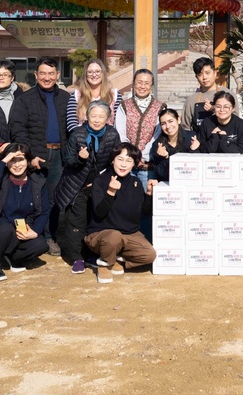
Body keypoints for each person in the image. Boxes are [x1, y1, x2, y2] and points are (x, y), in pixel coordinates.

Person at [8, 57, 69, 256]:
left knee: (54, 199)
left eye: (51, 73)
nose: (47, 77)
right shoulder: (25, 99)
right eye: (42, 73)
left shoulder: (66, 98)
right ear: (36, 75)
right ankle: (36, 235)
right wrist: (30, 155)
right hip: (37, 156)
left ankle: (50, 236)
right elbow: (18, 130)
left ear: (57, 75)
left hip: (60, 154)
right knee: (36, 198)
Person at [55, 101, 121, 274]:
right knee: (76, 222)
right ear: (87, 116)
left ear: (108, 118)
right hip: (76, 184)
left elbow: (115, 160)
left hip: (99, 183)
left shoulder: (112, 134)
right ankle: (76, 257)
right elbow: (67, 161)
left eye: (101, 116)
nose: (97, 120)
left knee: (95, 220)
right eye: (94, 116)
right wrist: (79, 158)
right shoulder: (77, 134)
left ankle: (91, 254)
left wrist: (100, 182)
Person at [0, 144, 51, 283]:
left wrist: (35, 231)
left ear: (27, 161)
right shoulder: (0, 179)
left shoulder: (37, 182)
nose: (17, 165)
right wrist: (3, 161)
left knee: (41, 245)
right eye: (12, 160)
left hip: (22, 231)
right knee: (5, 230)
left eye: (21, 159)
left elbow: (44, 211)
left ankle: (11, 258)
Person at [85, 143, 156, 284]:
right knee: (114, 236)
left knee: (149, 255)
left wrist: (149, 193)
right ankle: (105, 264)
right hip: (101, 233)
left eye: (129, 161)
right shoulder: (101, 180)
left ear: (134, 164)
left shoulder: (136, 182)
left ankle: (117, 259)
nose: (124, 164)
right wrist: (110, 192)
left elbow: (143, 212)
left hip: (128, 233)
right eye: (120, 159)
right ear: (112, 160)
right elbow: (99, 213)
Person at [115, 69, 165, 183]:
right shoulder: (124, 106)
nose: (143, 86)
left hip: (148, 165)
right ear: (133, 83)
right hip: (126, 164)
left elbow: (157, 135)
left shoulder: (160, 107)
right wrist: (131, 156)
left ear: (152, 85)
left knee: (147, 198)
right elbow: (120, 132)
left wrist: (142, 156)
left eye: (147, 83)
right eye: (139, 82)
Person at [147, 108, 200, 192]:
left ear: (178, 120)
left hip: (191, 186)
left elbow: (197, 168)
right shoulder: (158, 145)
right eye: (163, 124)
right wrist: (165, 158)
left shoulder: (191, 137)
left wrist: (194, 151)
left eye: (171, 121)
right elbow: (161, 174)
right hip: (169, 187)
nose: (168, 126)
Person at [66, 58, 122, 131]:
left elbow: (119, 123)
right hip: (83, 139)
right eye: (90, 72)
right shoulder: (77, 95)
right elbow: (71, 123)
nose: (94, 75)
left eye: (98, 71)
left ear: (103, 73)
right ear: (85, 74)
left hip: (108, 140)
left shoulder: (114, 95)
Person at [182, 58, 225, 131]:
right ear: (196, 77)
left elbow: (235, 123)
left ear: (215, 73)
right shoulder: (191, 100)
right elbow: (185, 128)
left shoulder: (228, 95)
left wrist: (215, 109)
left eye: (207, 73)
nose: (204, 77)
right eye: (200, 74)